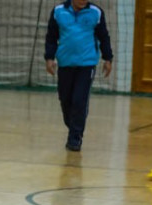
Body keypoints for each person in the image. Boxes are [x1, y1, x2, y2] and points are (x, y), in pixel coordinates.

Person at [44, 0, 113, 152]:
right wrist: (49, 58)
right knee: (65, 100)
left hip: (86, 64)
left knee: (79, 100)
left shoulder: (96, 12)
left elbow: (104, 37)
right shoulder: (58, 12)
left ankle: (75, 138)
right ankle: (75, 125)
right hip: (65, 64)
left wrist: (108, 58)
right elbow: (51, 37)